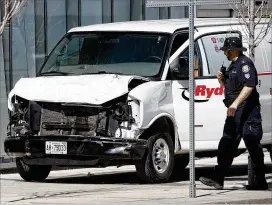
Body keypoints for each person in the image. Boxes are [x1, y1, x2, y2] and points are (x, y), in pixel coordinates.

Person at [199, 37, 268, 190]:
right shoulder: (232, 66)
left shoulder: (245, 64)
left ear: (233, 49)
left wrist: (236, 103)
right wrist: (222, 81)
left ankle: (260, 182)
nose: (225, 53)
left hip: (248, 111)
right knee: (226, 143)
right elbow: (232, 88)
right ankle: (218, 178)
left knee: (253, 145)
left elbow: (249, 86)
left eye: (226, 51)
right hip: (234, 113)